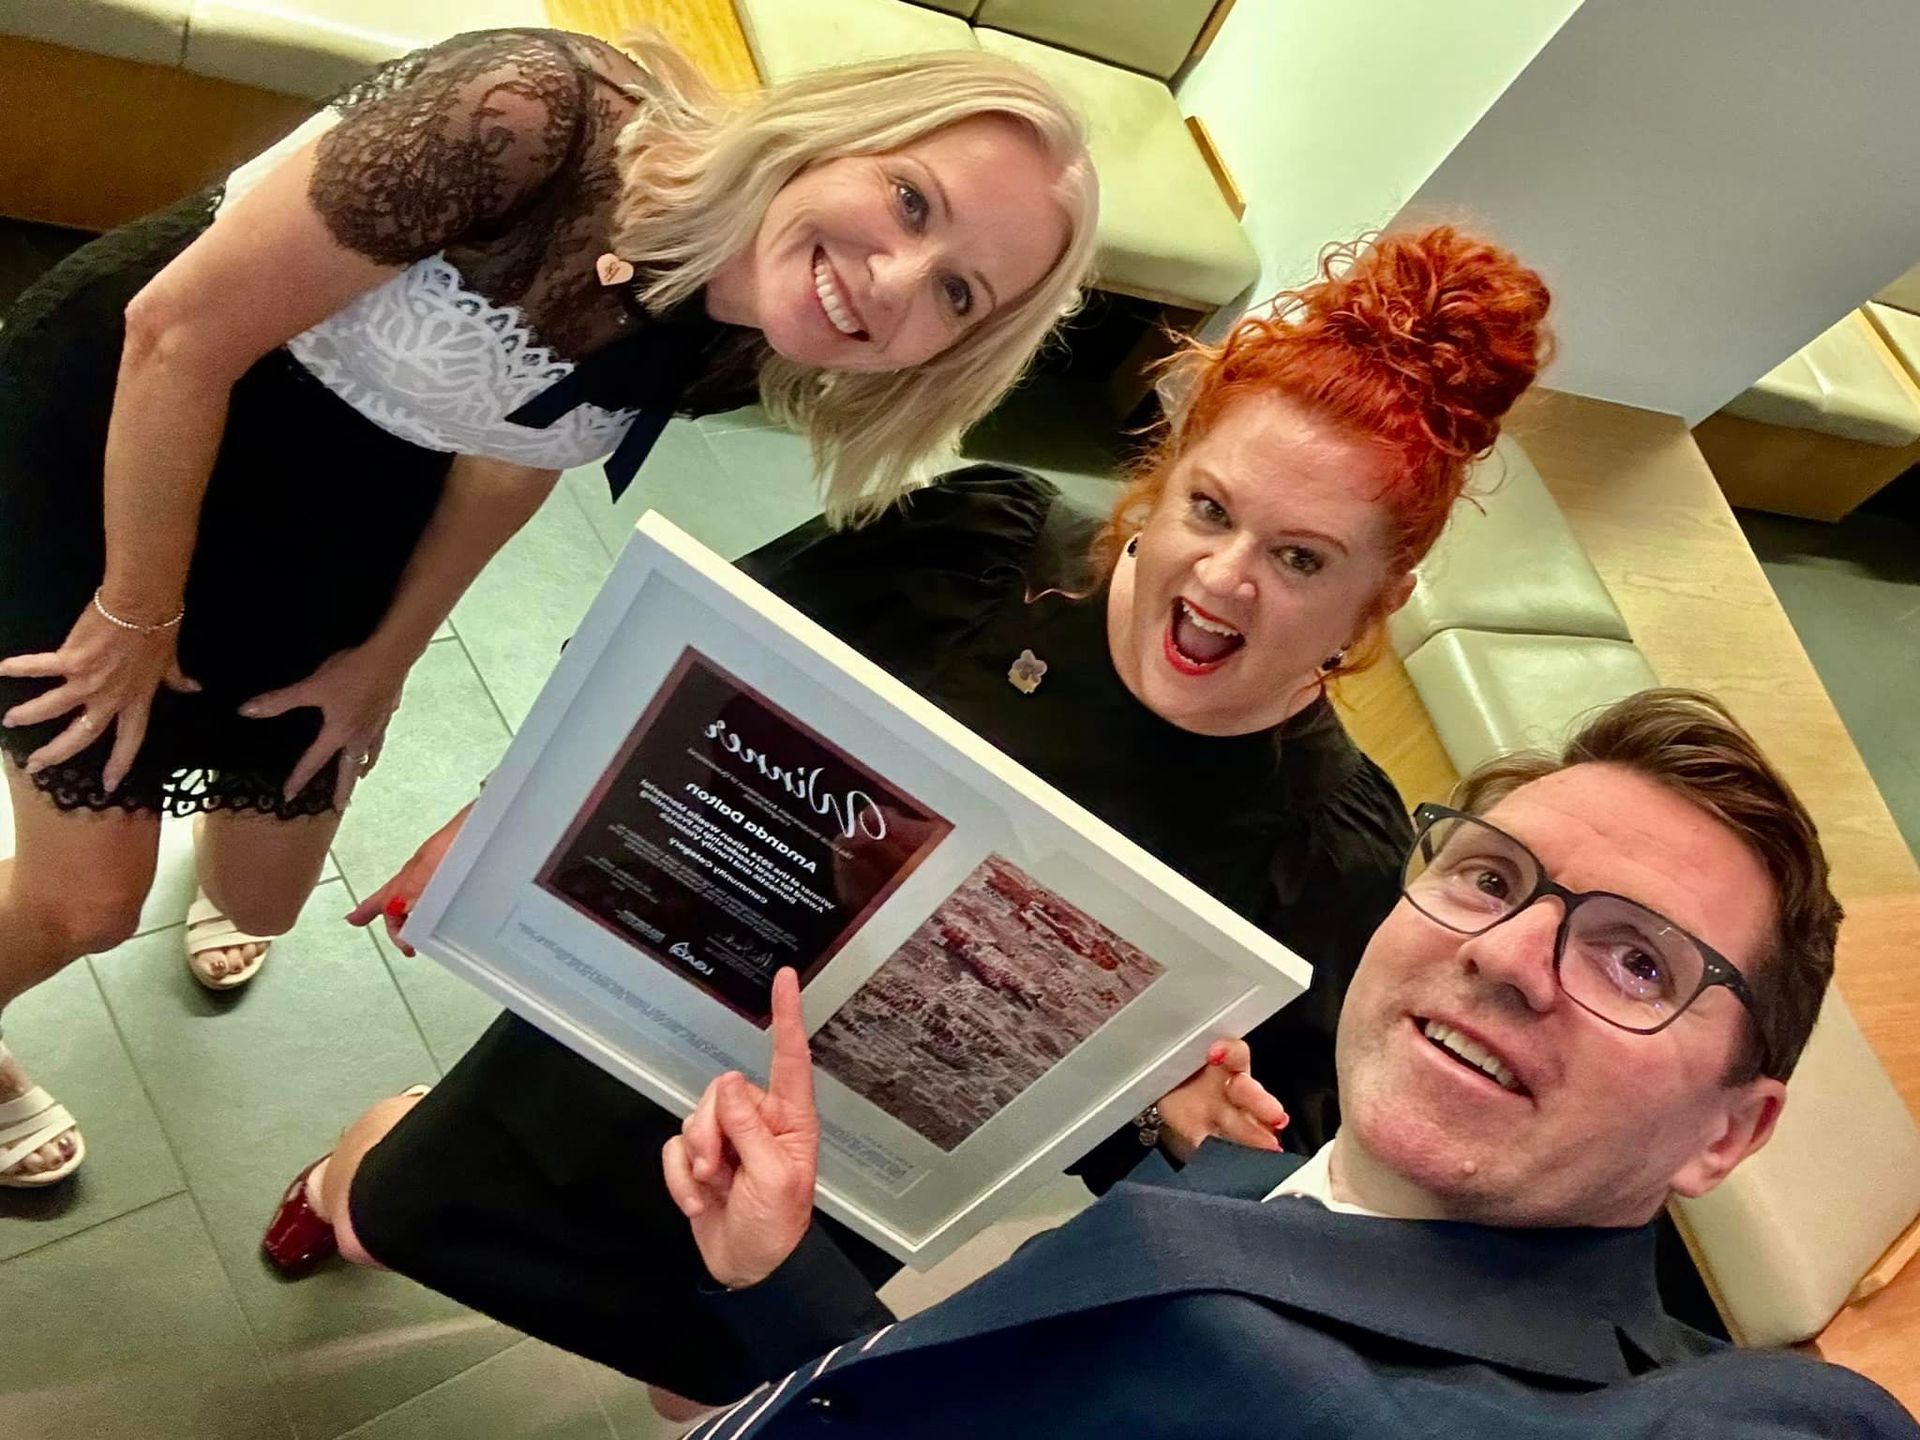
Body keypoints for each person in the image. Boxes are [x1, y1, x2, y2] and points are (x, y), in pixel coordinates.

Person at [261, 225, 1559, 1410]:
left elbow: (1222, 1168)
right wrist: (506, 821)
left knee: (698, 1380)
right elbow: (678, 677)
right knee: (402, 1204)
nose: (1222, 579)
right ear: (1161, 481)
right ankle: (338, 1192)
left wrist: (1169, 1121)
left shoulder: (1329, 856)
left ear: (1373, 604)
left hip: (852, 1167)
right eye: (1210, 510)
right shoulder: (972, 553)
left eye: (1302, 558)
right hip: (645, 1019)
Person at [0, 27, 1099, 1186]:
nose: (891, 282)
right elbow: (176, 337)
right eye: (912, 202)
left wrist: (390, 656)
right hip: (129, 428)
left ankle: (199, 799)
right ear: (839, 133)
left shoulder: (761, 323)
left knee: (263, 897)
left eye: (959, 292)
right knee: (89, 904)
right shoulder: (525, 119)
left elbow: (521, 445)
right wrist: (135, 616)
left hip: (344, 501)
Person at [651, 689, 1919, 1438]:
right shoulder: (1249, 1179)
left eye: (1637, 962)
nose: (1512, 955)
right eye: (1490, 877)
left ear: (1729, 1136)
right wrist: (780, 1271)